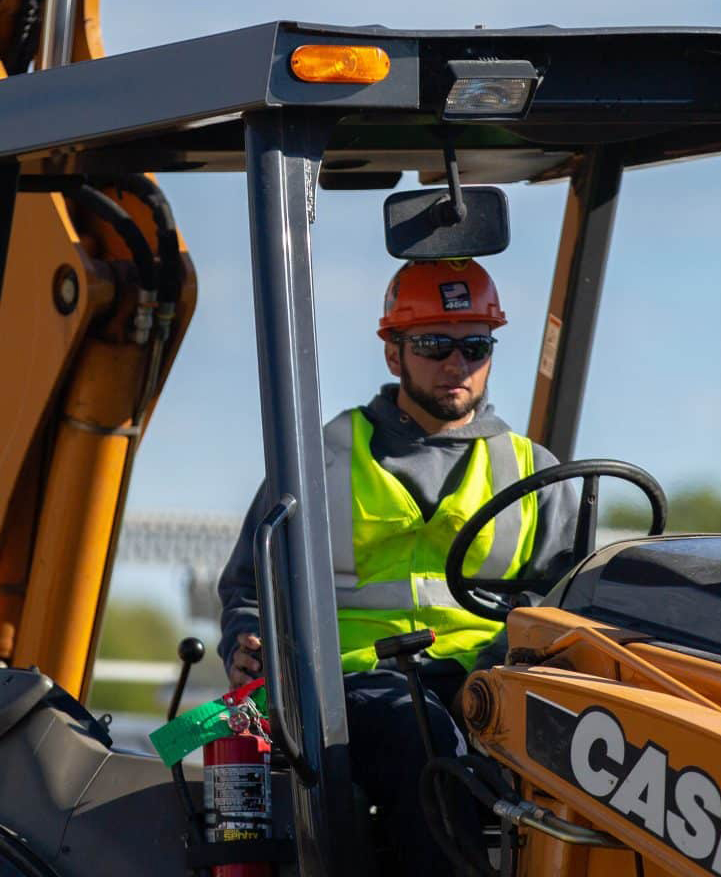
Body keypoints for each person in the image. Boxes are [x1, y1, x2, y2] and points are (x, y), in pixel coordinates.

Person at [218, 258, 578, 875]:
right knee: (423, 740)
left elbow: (560, 601)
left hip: (488, 679)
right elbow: (251, 586)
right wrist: (245, 637)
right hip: (348, 686)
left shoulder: (534, 471)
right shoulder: (321, 457)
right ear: (394, 354)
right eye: (435, 346)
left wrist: (495, 671)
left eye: (474, 347)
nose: (456, 363)